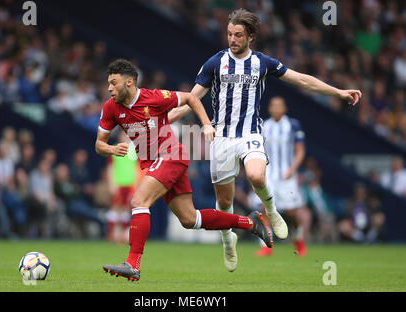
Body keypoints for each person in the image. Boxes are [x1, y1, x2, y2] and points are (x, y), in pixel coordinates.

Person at [168, 8, 362, 271]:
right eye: (229, 34)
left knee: (257, 176)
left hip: (250, 133)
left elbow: (302, 79)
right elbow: (191, 100)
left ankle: (271, 211)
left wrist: (338, 92)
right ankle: (228, 241)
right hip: (222, 137)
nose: (232, 39)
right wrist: (162, 119)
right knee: (225, 202)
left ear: (250, 36)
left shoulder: (262, 63)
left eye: (238, 35)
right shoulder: (215, 63)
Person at [96, 59, 272, 281]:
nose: (109, 88)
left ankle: (133, 263)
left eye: (114, 83)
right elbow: (99, 145)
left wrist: (207, 124)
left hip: (170, 155)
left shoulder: (153, 97)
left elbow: (190, 97)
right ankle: (250, 222)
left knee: (139, 201)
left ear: (129, 82)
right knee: (190, 219)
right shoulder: (110, 107)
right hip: (154, 163)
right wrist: (111, 148)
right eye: (108, 83)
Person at [253, 96, 312, 257]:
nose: (276, 108)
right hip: (268, 175)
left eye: (280, 105)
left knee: (291, 212)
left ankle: (298, 241)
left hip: (287, 175)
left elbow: (300, 150)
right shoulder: (264, 125)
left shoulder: (292, 125)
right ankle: (266, 245)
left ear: (285, 108)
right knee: (264, 209)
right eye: (273, 105)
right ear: (270, 108)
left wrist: (293, 169)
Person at [105, 129, 139, 243]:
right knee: (115, 208)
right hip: (118, 184)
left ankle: (123, 235)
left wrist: (136, 185)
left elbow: (136, 169)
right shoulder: (114, 149)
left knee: (126, 209)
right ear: (119, 136)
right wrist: (111, 184)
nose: (125, 136)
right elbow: (110, 168)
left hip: (129, 184)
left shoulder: (134, 150)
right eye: (123, 134)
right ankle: (112, 233)